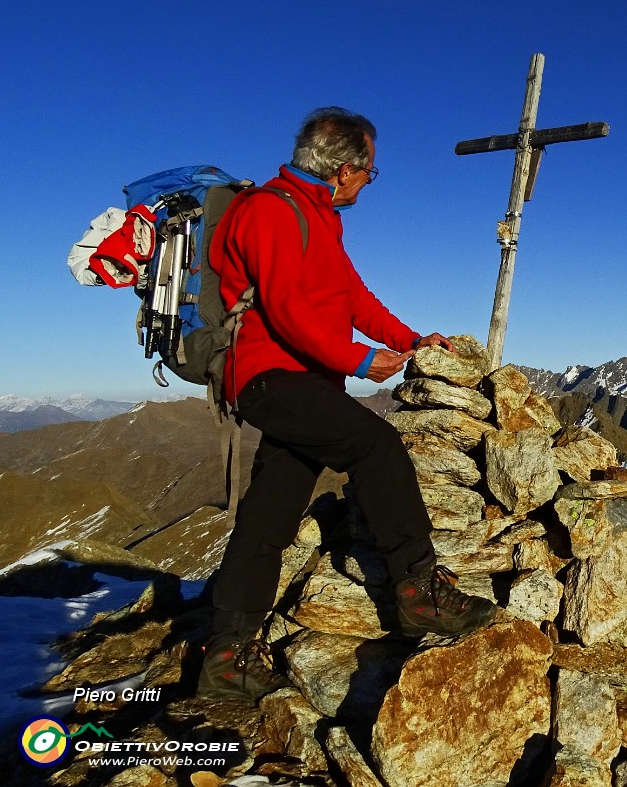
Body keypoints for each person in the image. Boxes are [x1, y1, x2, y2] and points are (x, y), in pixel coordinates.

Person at [196, 107, 495, 702]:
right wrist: (358, 360)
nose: (368, 181)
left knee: (271, 512)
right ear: (343, 169)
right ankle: (419, 592)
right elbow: (286, 308)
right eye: (369, 171)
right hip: (270, 376)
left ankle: (227, 658)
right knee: (376, 445)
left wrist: (408, 340)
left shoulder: (316, 217)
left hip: (297, 382)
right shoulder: (270, 212)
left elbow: (350, 296)